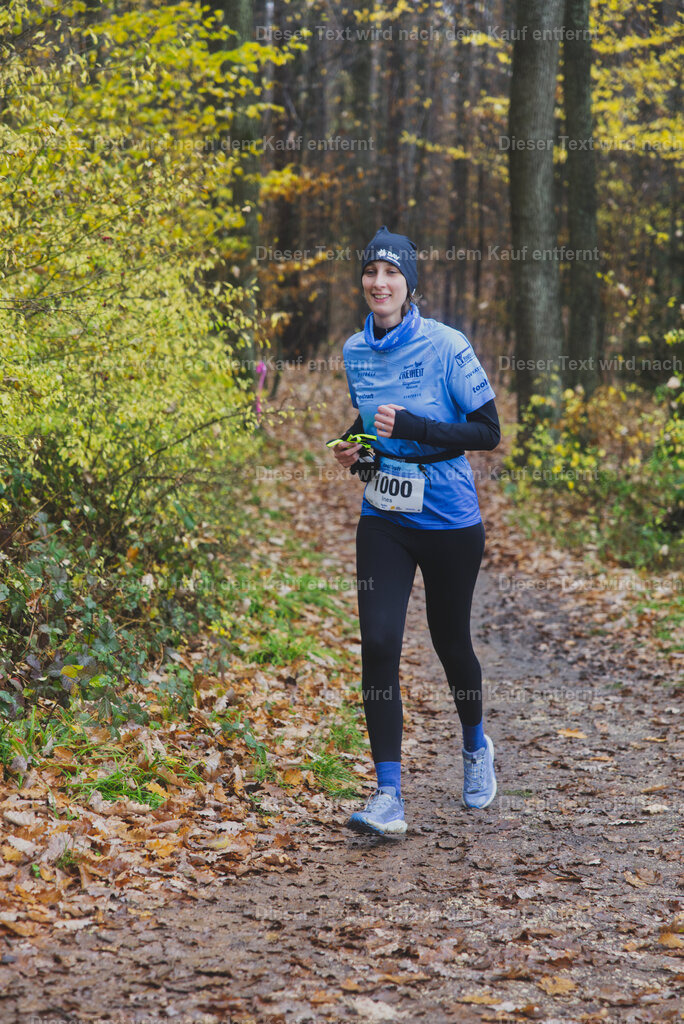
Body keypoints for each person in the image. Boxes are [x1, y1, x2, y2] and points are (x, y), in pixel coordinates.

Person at [330, 225, 500, 836]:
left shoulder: (447, 345)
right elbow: (370, 422)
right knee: (379, 643)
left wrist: (418, 427)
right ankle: (388, 795)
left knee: (450, 643)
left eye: (391, 273)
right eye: (370, 272)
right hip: (385, 516)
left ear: (409, 283)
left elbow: (487, 431)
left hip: (450, 516)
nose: (379, 282)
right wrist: (355, 447)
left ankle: (475, 745)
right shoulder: (354, 350)